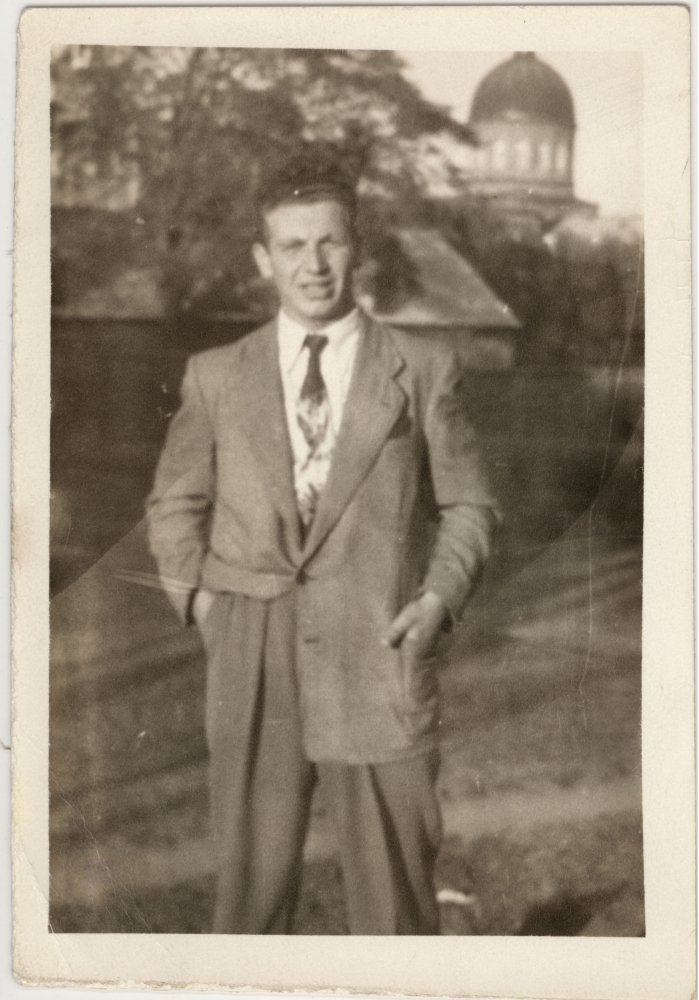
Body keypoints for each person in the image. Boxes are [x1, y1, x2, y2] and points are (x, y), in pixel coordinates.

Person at [146, 151, 499, 935]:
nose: (313, 264)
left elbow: (470, 504)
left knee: (394, 903)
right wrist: (203, 604)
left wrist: (437, 600)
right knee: (249, 902)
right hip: (251, 654)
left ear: (357, 246)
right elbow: (174, 503)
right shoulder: (214, 375)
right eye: (294, 246)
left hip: (377, 648)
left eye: (329, 242)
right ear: (262, 259)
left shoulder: (423, 368)